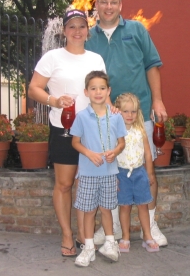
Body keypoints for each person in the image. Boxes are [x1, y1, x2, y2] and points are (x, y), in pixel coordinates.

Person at [85, 0, 168, 246]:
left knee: (146, 171)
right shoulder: (89, 37)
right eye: (103, 2)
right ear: (96, 5)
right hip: (105, 117)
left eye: (113, 2)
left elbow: (152, 66)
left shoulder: (137, 30)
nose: (108, 6)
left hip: (139, 114)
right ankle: (110, 229)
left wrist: (157, 101)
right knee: (108, 174)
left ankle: (151, 224)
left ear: (120, 5)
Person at [28, 9, 106, 258]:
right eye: (71, 26)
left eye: (81, 26)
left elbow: (103, 93)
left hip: (91, 129)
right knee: (64, 184)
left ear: (87, 30)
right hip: (63, 128)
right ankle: (66, 234)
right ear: (64, 31)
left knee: (87, 184)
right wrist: (53, 100)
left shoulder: (96, 59)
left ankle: (85, 235)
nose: (77, 31)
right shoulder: (53, 57)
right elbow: (33, 89)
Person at [71, 70, 127, 267]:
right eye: (93, 88)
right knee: (88, 211)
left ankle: (110, 243)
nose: (98, 92)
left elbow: (122, 142)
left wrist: (115, 151)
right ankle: (88, 247)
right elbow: (75, 142)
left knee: (106, 209)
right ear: (86, 92)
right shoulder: (82, 117)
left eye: (102, 88)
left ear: (108, 91)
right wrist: (89, 153)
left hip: (109, 172)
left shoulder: (116, 116)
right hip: (88, 173)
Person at [114, 93, 160, 253]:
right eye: (125, 111)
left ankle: (147, 235)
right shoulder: (115, 132)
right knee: (125, 207)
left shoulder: (140, 130)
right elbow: (112, 155)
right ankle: (125, 237)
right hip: (121, 173)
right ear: (118, 111)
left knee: (143, 205)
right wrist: (114, 176)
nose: (129, 115)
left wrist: (150, 173)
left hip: (139, 173)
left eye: (133, 111)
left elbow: (147, 153)